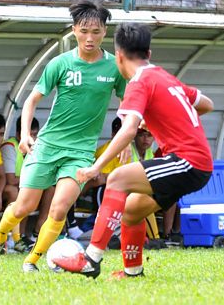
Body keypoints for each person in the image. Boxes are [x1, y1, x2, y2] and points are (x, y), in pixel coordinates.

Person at [53, 22, 213, 279]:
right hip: (196, 163)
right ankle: (132, 271)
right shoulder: (163, 76)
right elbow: (206, 104)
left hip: (187, 161)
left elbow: (127, 130)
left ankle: (91, 259)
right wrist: (161, 119)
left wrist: (96, 166)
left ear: (118, 56)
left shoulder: (139, 81)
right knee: (130, 210)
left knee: (115, 178)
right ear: (148, 54)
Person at [0, 0, 127, 272]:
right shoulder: (60, 63)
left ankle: (32, 261)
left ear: (105, 32)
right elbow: (31, 101)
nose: (89, 37)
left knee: (58, 209)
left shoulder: (114, 68)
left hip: (80, 152)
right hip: (47, 146)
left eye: (96, 31)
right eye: (84, 31)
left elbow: (126, 105)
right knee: (24, 206)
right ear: (74, 31)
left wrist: (124, 138)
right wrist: (25, 135)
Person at [0, 116, 54, 252]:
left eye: (36, 135)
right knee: (21, 191)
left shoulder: (38, 148)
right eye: (31, 135)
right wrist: (35, 179)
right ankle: (17, 237)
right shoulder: (9, 146)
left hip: (23, 186)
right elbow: (10, 179)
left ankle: (38, 232)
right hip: (5, 188)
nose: (33, 139)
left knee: (50, 188)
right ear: (20, 134)